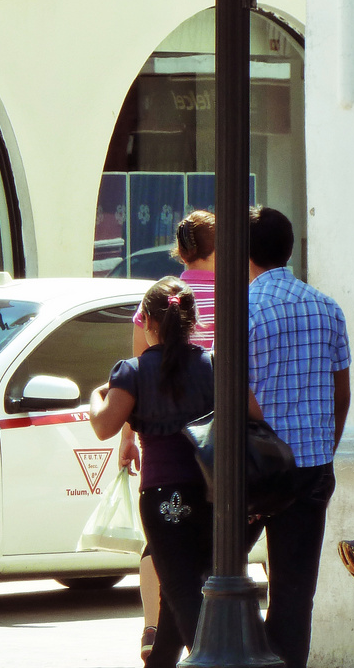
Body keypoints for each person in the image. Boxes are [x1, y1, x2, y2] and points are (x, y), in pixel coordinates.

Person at [90, 277, 252, 668]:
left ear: (145, 321)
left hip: (163, 497)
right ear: (192, 320)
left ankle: (213, 658)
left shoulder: (132, 371)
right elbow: (253, 418)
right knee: (181, 591)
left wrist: (95, 396)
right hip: (211, 492)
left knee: (181, 591)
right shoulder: (213, 365)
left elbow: (104, 426)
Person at [247, 207, 351, 668]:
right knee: (294, 593)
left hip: (252, 469)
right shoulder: (327, 307)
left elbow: (233, 395)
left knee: (208, 574)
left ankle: (240, 653)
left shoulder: (244, 309)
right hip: (311, 465)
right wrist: (325, 447)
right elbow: (341, 391)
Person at [119, 211, 217, 663]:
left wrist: (126, 433)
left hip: (159, 442)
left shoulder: (161, 295)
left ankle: (154, 628)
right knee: (192, 557)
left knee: (163, 545)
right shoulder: (238, 293)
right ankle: (174, 643)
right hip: (211, 451)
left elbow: (138, 373)